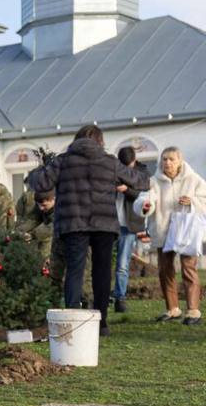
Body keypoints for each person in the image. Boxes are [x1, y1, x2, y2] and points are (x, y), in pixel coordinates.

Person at [28, 125, 148, 335]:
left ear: (76, 140)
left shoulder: (63, 161)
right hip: (104, 223)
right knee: (101, 272)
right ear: (100, 141)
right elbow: (142, 181)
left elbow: (38, 182)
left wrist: (43, 165)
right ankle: (101, 324)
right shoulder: (109, 161)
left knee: (75, 270)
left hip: (73, 223)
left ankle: (73, 320)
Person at [142, 146, 206, 324]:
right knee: (165, 270)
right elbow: (147, 200)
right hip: (163, 231)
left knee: (189, 269)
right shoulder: (154, 181)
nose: (167, 162)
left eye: (171, 159)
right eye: (164, 159)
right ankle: (173, 309)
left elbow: (205, 199)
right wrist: (146, 206)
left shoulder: (193, 180)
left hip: (186, 232)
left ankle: (193, 311)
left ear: (180, 161)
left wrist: (192, 201)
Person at [112, 146, 150, 314]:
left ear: (134, 160)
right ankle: (103, 295)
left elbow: (144, 197)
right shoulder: (113, 169)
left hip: (128, 225)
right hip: (109, 222)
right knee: (104, 262)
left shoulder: (142, 173)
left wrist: (126, 190)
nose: (126, 170)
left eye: (129, 166)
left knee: (122, 264)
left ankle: (120, 298)